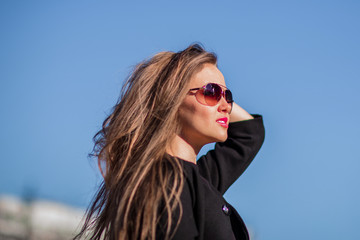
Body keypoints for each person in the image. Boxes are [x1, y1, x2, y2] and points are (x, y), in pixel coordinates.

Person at [74, 44, 265, 240]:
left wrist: (215, 93)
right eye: (211, 92)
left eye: (228, 96)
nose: (226, 106)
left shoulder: (195, 179)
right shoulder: (169, 182)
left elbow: (249, 134)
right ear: (172, 100)